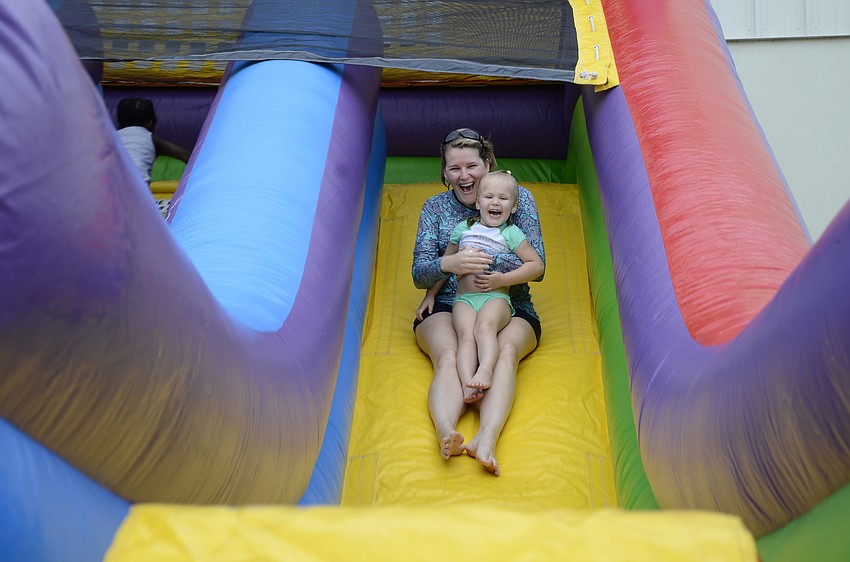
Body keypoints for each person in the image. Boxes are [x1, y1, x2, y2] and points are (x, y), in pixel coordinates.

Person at [412, 128, 545, 476]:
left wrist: (496, 273)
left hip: (508, 303)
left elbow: (538, 265)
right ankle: (447, 432)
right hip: (449, 302)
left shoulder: (518, 198)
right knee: (449, 352)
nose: (464, 176)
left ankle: (485, 439)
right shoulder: (436, 209)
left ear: (487, 165)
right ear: (444, 172)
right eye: (454, 168)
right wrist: (449, 264)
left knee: (504, 351)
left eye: (472, 166)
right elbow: (419, 273)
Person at [417, 171, 544, 406]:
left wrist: (503, 280)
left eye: (503, 199)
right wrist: (431, 294)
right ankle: (469, 384)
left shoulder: (510, 233)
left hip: (494, 296)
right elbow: (447, 263)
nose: (495, 202)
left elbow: (536, 266)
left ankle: (485, 370)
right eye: (489, 197)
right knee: (465, 338)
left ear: (514, 207)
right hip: (463, 299)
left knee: (484, 329)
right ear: (478, 202)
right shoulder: (462, 230)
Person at [116, 98, 190, 184]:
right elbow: (185, 154)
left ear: (118, 121)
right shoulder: (151, 139)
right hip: (136, 192)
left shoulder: (110, 137)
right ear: (150, 123)